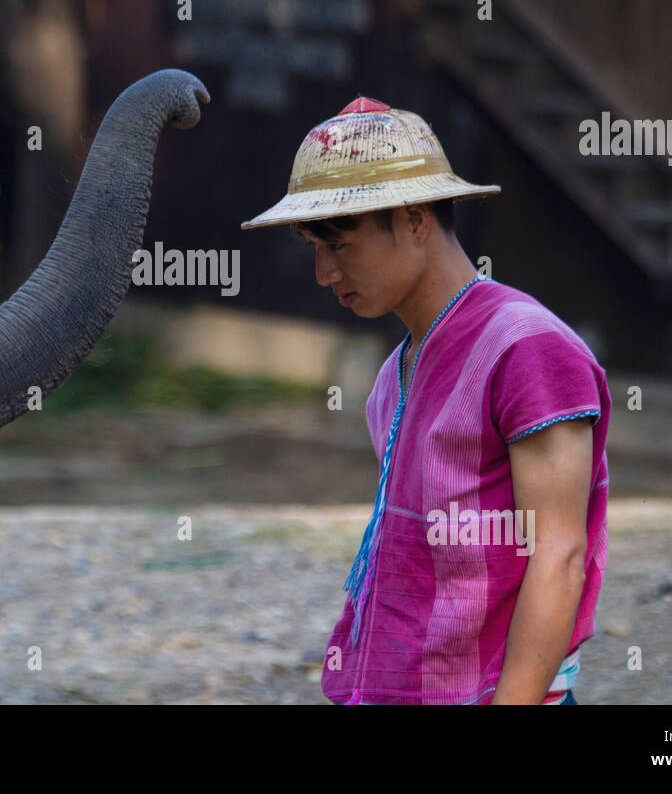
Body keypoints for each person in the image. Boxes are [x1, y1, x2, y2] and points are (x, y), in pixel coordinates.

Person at [241, 96, 609, 704]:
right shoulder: (395, 375)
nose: (323, 273)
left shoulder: (528, 349)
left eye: (339, 244)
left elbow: (560, 555)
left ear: (415, 222)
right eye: (314, 247)